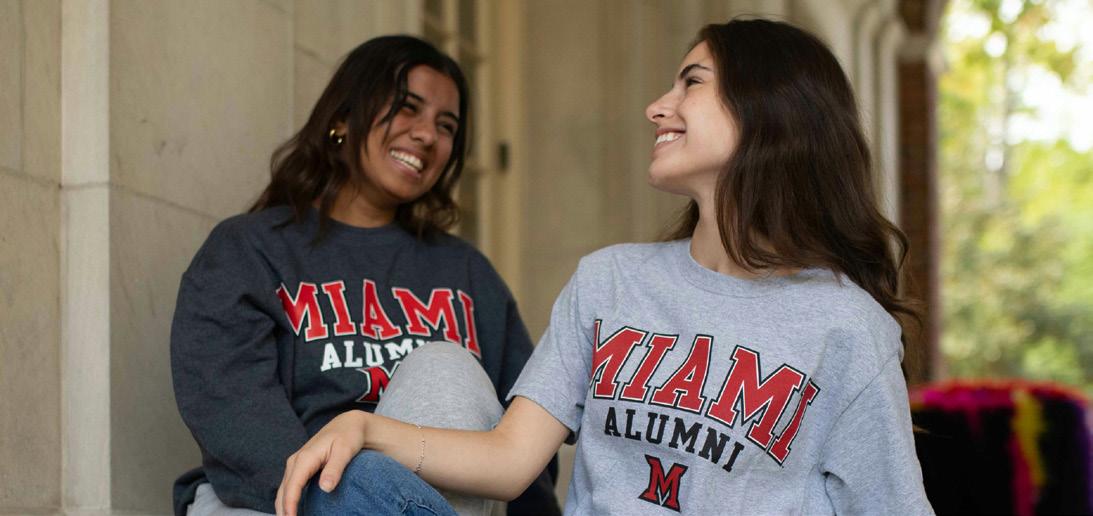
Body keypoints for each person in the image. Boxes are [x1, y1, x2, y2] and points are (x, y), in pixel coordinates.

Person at [276, 19, 935, 515]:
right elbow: (509, 460)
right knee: (354, 480)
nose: (657, 106)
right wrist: (364, 427)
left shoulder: (846, 327)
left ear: (768, 110)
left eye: (692, 83)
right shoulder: (610, 282)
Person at [170, 35, 559, 516]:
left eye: (446, 126)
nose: (427, 135)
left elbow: (528, 440)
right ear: (342, 118)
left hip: (436, 498)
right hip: (279, 499)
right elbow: (231, 411)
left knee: (445, 369)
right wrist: (350, 496)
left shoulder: (466, 273)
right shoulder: (249, 250)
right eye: (407, 108)